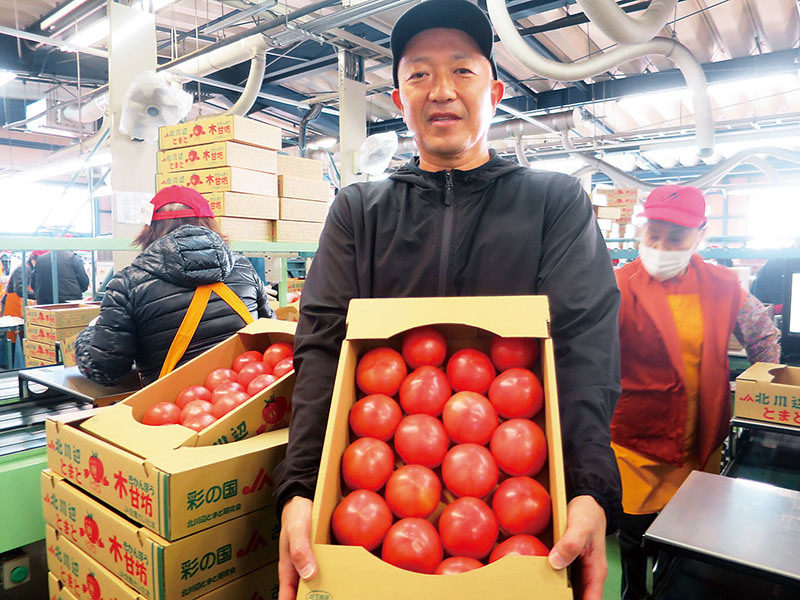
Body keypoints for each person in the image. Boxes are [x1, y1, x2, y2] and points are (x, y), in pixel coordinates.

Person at [274, 2, 622, 599]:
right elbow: (323, 349)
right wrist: (302, 488)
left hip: (520, 497)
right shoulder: (358, 210)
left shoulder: (553, 203)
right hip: (377, 497)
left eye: (462, 71)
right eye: (419, 74)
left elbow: (584, 345)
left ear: (496, 91)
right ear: (397, 97)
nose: (441, 90)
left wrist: (588, 486)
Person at [611, 185, 780, 600]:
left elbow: (762, 336)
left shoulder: (722, 285)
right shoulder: (615, 286)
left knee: (683, 533)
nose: (661, 245)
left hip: (696, 438)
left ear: (700, 235)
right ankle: (634, 590)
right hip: (634, 438)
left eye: (676, 237)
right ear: (640, 232)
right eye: (653, 234)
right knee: (633, 533)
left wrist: (761, 394)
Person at [75, 186, 274, 386]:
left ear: (149, 230)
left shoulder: (127, 284)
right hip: (248, 395)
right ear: (209, 223)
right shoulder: (243, 268)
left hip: (177, 408)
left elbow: (105, 369)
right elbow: (270, 334)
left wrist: (87, 336)